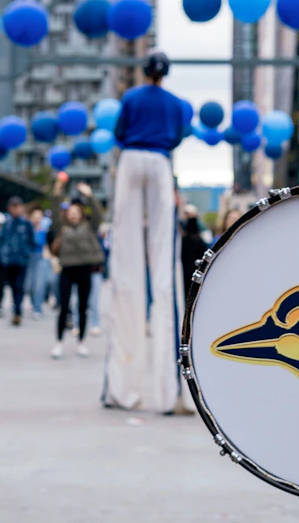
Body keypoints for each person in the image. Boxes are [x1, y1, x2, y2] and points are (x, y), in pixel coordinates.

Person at [106, 50, 186, 412]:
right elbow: (178, 136)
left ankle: (122, 386)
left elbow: (119, 132)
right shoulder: (174, 103)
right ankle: (170, 390)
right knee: (163, 256)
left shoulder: (131, 97)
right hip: (158, 159)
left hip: (131, 159)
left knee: (125, 252)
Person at [48, 183, 105, 358]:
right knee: (64, 307)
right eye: (70, 212)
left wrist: (90, 196)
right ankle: (59, 342)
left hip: (85, 270)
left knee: (83, 307)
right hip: (67, 270)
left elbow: (98, 214)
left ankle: (81, 342)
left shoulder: (88, 227)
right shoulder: (62, 227)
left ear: (81, 214)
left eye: (76, 212)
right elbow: (54, 212)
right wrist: (57, 192)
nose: (72, 215)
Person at [0, 197, 36, 327]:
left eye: (17, 206)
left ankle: (17, 312)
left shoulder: (26, 224)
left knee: (19, 286)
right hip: (8, 261)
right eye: (13, 207)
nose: (15, 209)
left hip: (21, 261)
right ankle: (15, 309)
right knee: (12, 286)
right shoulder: (7, 224)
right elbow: (1, 240)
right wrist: (3, 256)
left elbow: (32, 241)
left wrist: (27, 253)